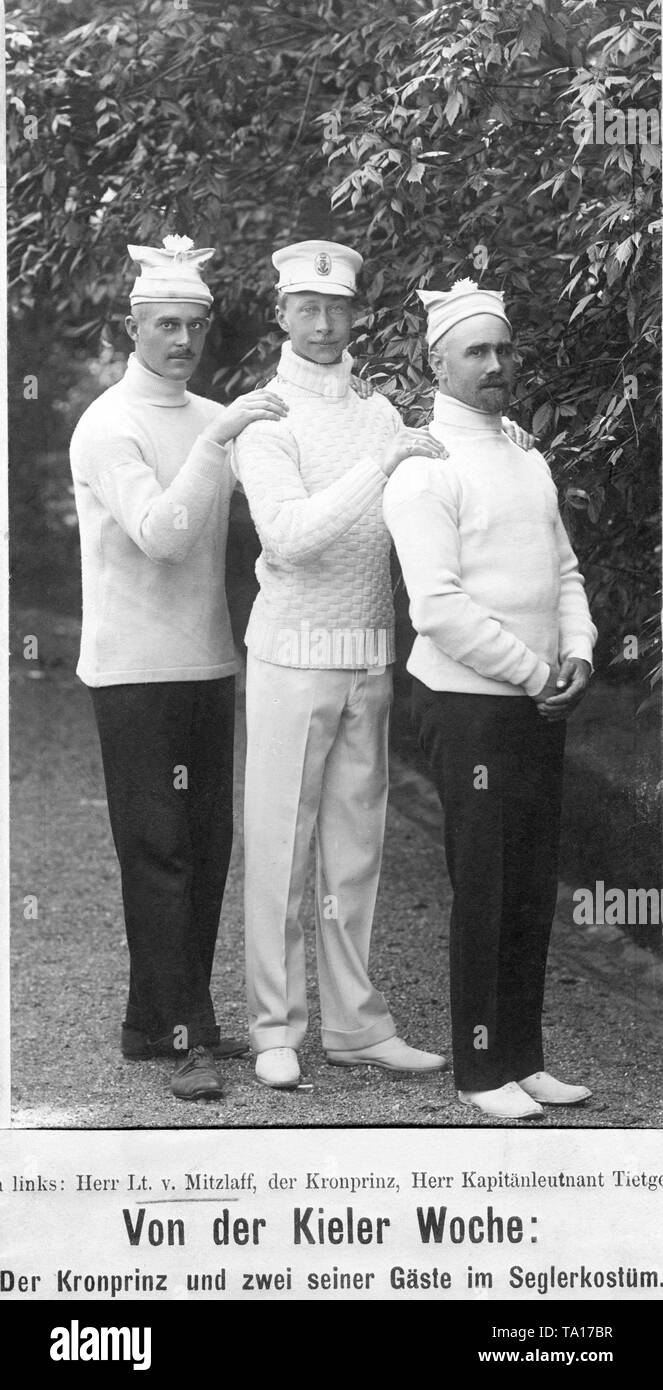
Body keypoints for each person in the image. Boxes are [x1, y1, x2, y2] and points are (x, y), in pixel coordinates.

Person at [233, 241, 531, 1090]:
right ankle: (274, 1025)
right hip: (290, 654)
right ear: (281, 313)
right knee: (281, 847)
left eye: (339, 308)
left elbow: (443, 445)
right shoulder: (261, 415)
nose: (325, 323)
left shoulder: (378, 410)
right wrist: (384, 458)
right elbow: (289, 536)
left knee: (355, 849)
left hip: (367, 653)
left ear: (355, 312)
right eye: (307, 307)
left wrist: (496, 434)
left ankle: (355, 1024)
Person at [69, 234, 289, 1100]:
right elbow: (161, 537)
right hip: (132, 672)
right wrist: (220, 438)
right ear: (133, 326)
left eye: (193, 327)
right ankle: (179, 1033)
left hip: (205, 665)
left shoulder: (210, 416)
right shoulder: (107, 425)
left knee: (203, 846)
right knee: (158, 851)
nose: (180, 342)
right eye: (164, 325)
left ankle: (159, 1023)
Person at [382, 278, 598, 1121]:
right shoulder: (421, 466)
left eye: (503, 349)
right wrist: (532, 669)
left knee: (528, 880)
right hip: (468, 704)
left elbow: (564, 571)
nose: (496, 364)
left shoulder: (524, 452)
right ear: (437, 362)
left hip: (536, 700)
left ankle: (523, 1057)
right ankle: (478, 1071)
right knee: (483, 883)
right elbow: (434, 607)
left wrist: (574, 653)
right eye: (476, 351)